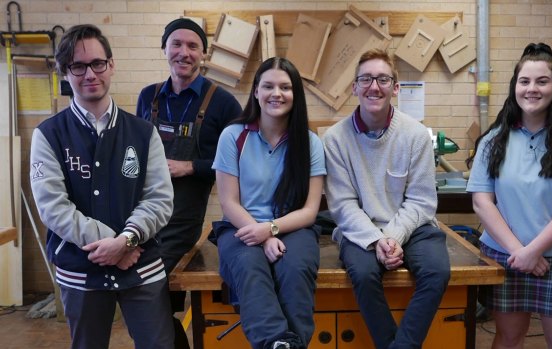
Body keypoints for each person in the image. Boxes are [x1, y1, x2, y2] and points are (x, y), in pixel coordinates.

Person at [29, 24, 174, 349]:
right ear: (64, 72)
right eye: (77, 66)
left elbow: (159, 199)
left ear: (111, 64)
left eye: (97, 63)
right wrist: (112, 245)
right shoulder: (48, 135)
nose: (89, 73)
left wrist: (127, 240)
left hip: (141, 265)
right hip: (82, 270)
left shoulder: (143, 132)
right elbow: (53, 208)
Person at [466, 43, 552, 349]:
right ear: (515, 86)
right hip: (506, 256)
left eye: (542, 81)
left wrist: (534, 251)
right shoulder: (494, 138)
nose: (532, 89)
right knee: (508, 339)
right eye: (524, 81)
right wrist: (520, 253)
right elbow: (481, 202)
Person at [323, 49, 451, 349]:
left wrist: (392, 237)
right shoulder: (334, 139)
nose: (373, 86)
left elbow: (421, 201)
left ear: (395, 87)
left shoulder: (416, 135)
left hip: (413, 227)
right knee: (364, 274)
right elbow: (342, 205)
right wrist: (376, 240)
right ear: (354, 87)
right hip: (360, 232)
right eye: (365, 79)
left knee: (437, 272)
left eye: (382, 79)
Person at [135, 17, 242, 348]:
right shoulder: (148, 97)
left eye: (193, 46)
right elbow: (133, 152)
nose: (184, 52)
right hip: (141, 213)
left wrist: (190, 166)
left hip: (182, 220)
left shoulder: (222, 103)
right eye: (177, 44)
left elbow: (240, 162)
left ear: (203, 55)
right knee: (148, 301)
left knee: (150, 293)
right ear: (164, 48)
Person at [209, 57, 326, 349]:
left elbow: (310, 211)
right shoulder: (232, 136)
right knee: (249, 266)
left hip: (293, 226)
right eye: (268, 86)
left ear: (295, 95)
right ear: (256, 93)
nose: (277, 93)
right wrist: (261, 236)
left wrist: (271, 229)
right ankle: (278, 343)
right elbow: (229, 202)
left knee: (295, 268)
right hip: (241, 226)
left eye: (285, 87)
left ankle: (290, 344)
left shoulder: (311, 143)